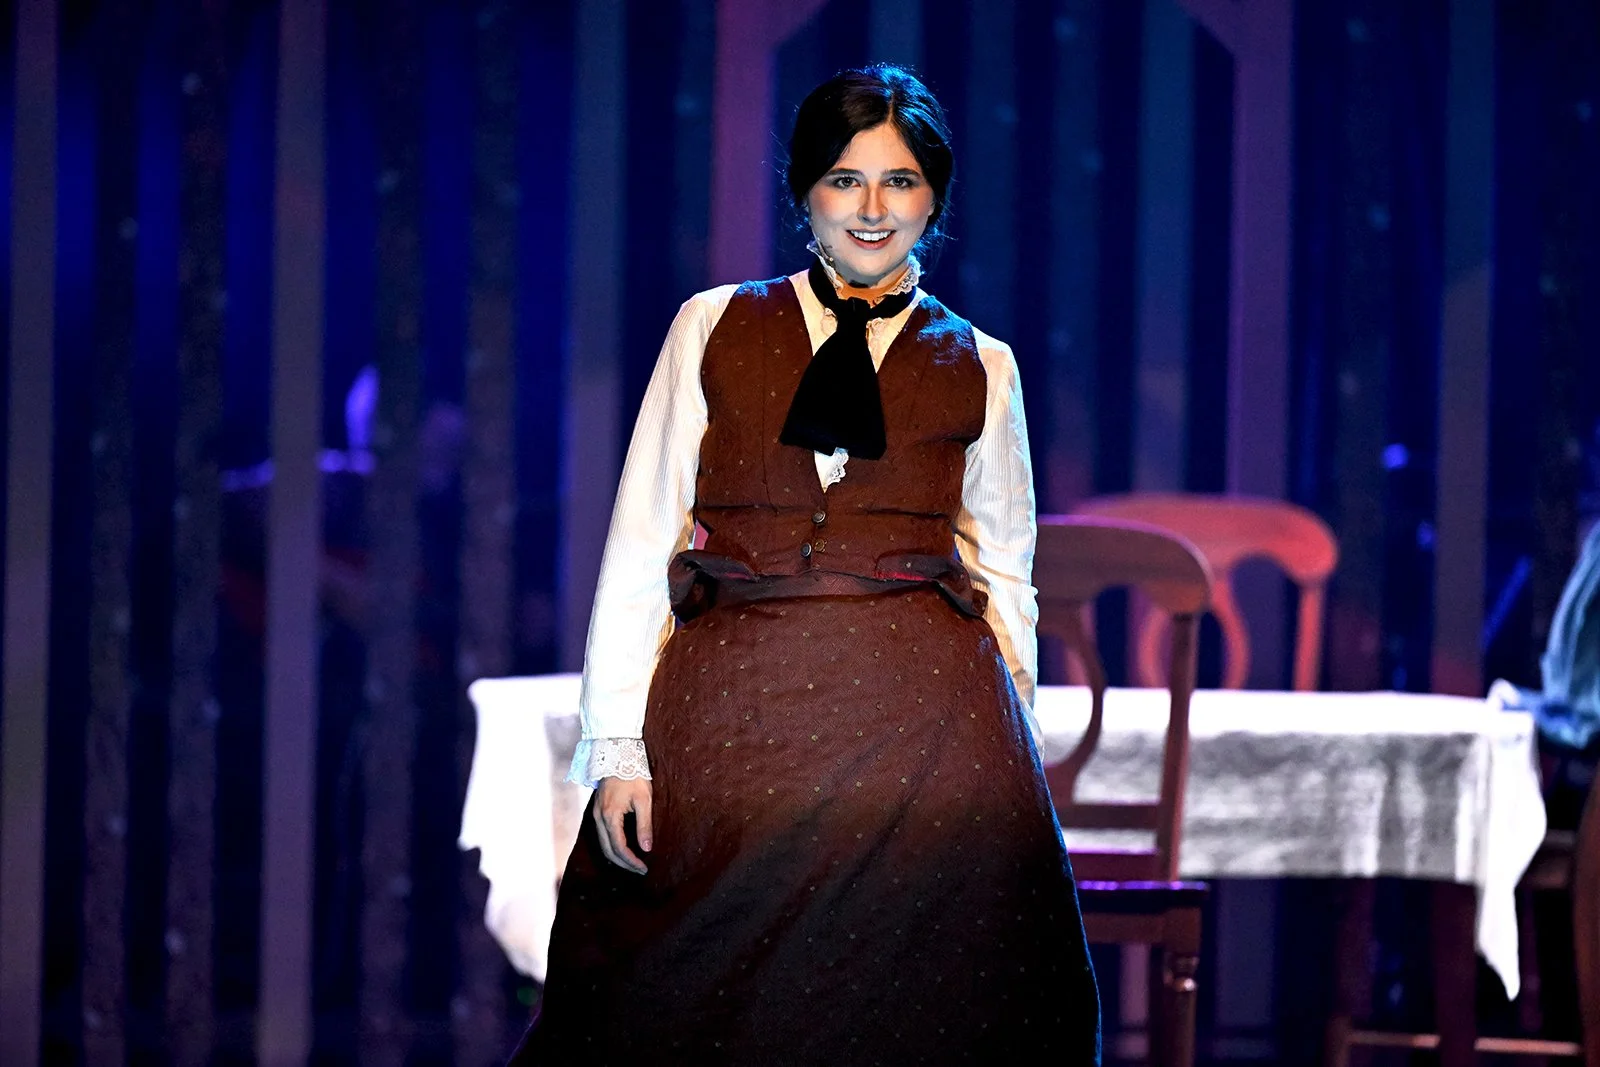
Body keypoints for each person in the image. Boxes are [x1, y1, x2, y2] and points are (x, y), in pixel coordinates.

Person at [509, 64, 1101, 1064]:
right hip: (733, 712)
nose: (872, 209)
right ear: (803, 193)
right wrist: (618, 746)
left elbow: (1005, 574)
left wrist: (1012, 754)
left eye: (899, 182)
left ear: (934, 199)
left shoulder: (982, 363)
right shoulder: (712, 323)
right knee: (685, 992)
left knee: (933, 1005)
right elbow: (643, 540)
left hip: (926, 726)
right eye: (845, 180)